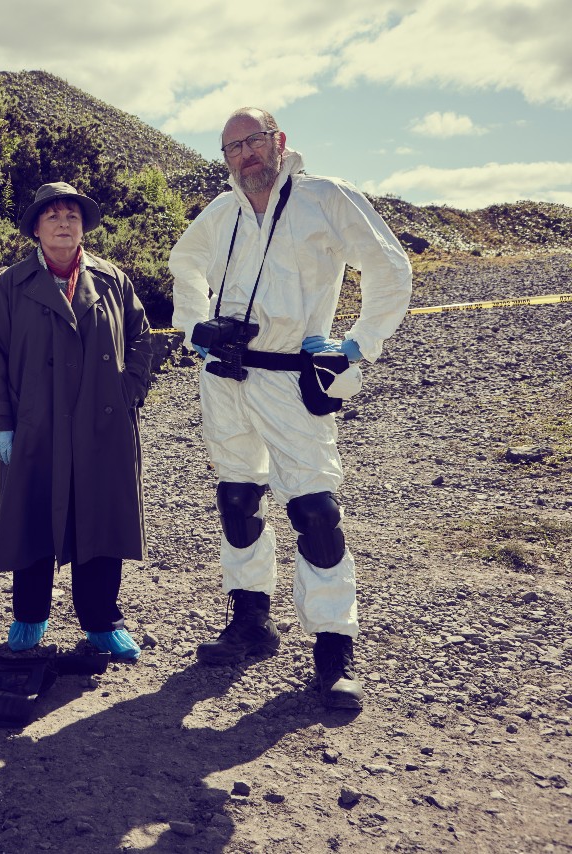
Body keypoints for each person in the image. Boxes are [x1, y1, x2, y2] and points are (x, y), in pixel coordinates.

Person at [168, 107, 412, 709]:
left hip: (291, 380)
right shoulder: (222, 212)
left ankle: (334, 649)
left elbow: (388, 265)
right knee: (237, 498)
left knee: (315, 510)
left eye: (253, 141)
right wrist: (198, 327)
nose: (245, 155)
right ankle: (251, 621)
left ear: (279, 141)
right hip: (224, 379)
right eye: (232, 148)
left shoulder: (324, 199)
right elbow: (183, 263)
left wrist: (358, 345)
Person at [0, 182, 153, 660]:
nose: (63, 223)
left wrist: (129, 389)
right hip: (36, 425)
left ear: (83, 227)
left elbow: (141, 338)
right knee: (32, 516)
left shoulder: (114, 279)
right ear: (36, 228)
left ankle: (102, 622)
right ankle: (29, 617)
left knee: (99, 520)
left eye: (71, 216)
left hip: (103, 424)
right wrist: (0, 422)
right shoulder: (9, 285)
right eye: (52, 215)